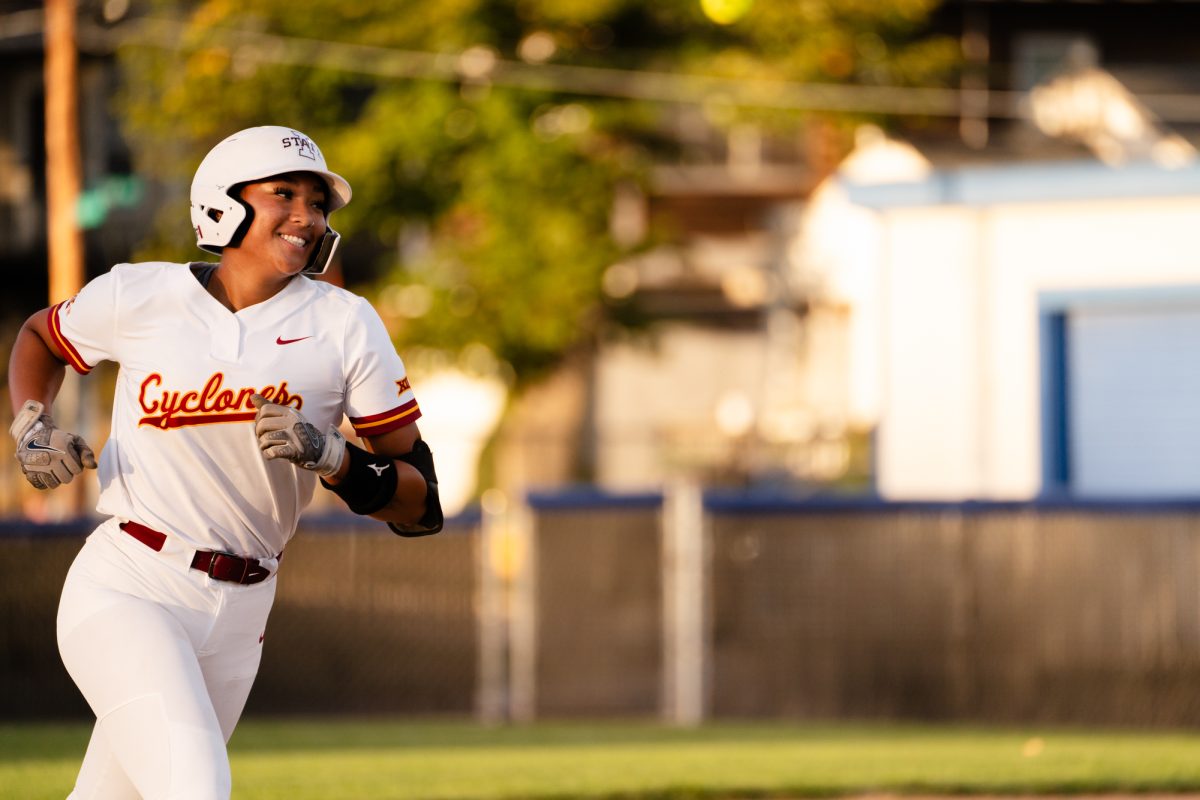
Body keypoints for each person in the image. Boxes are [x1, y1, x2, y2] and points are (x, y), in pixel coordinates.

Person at [7, 125, 443, 799]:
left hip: (243, 612)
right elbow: (41, 333)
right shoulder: (140, 293)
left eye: (319, 202)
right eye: (284, 194)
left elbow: (422, 505)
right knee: (195, 789)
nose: (308, 214)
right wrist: (31, 424)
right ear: (221, 204)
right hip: (132, 581)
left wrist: (335, 459)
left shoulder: (347, 324)